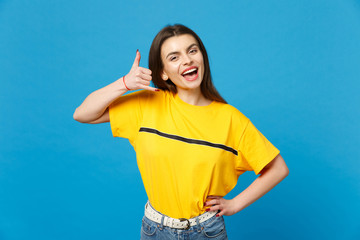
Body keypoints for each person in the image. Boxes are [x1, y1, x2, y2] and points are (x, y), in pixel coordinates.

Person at [73, 24, 289, 240]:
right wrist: (124, 84)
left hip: (206, 231)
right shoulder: (147, 104)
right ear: (163, 73)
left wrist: (234, 204)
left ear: (202, 58)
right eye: (174, 57)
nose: (187, 60)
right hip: (155, 230)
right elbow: (83, 114)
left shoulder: (231, 119)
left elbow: (278, 168)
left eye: (192, 51)